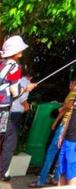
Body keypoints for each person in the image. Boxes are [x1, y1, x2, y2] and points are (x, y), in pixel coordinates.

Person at [31, 71, 76, 188]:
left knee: (51, 151)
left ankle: (41, 180)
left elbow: (69, 106)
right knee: (61, 152)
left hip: (65, 125)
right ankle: (55, 178)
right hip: (72, 126)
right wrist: (56, 121)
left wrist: (61, 111)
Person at [0, 36, 36, 180]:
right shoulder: (14, 66)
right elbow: (15, 92)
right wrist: (27, 88)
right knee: (10, 140)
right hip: (2, 110)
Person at [1, 71, 32, 181]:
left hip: (4, 112)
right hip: (14, 115)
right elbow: (21, 98)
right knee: (9, 145)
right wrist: (27, 106)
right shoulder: (25, 83)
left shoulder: (11, 79)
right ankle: (2, 173)